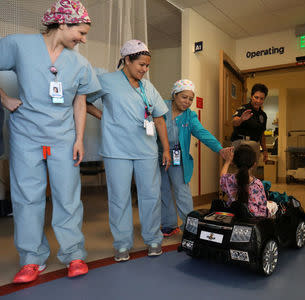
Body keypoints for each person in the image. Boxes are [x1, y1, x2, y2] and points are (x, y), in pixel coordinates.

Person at [0, 0, 101, 283]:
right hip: (26, 135)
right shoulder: (19, 45)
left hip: (63, 137)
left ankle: (74, 254)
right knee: (26, 197)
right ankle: (32, 259)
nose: (82, 39)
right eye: (80, 32)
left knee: (67, 196)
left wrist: (80, 139)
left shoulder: (79, 63)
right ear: (62, 23)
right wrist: (5, 99)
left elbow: (80, 102)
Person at [86, 40, 171, 262]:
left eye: (147, 66)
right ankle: (122, 244)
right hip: (117, 150)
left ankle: (153, 239)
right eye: (141, 64)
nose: (144, 69)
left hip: (146, 150)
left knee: (151, 196)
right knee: (119, 197)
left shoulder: (148, 87)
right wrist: (103, 116)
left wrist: (166, 150)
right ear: (127, 60)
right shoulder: (106, 81)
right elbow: (83, 101)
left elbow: (159, 119)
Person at [159, 79, 230, 236]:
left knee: (181, 189)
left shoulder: (190, 116)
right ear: (174, 95)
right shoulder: (161, 106)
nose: (188, 102)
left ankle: (190, 226)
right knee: (162, 189)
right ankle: (169, 224)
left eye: (191, 99)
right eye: (184, 97)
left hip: (177, 155)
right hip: (158, 154)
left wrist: (219, 149)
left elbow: (202, 133)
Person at [220, 145, 277, 217]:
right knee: (274, 205)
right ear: (254, 164)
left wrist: (227, 161)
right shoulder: (258, 184)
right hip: (255, 219)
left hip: (235, 215)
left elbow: (222, 176)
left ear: (234, 163)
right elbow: (262, 207)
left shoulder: (229, 180)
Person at [231, 83, 269, 162]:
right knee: (237, 172)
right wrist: (241, 119)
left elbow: (262, 134)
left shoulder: (263, 115)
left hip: (255, 145)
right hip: (240, 143)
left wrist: (265, 150)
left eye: (261, 99)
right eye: (256, 97)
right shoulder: (243, 108)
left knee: (251, 172)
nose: (258, 101)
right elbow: (234, 122)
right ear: (251, 96)